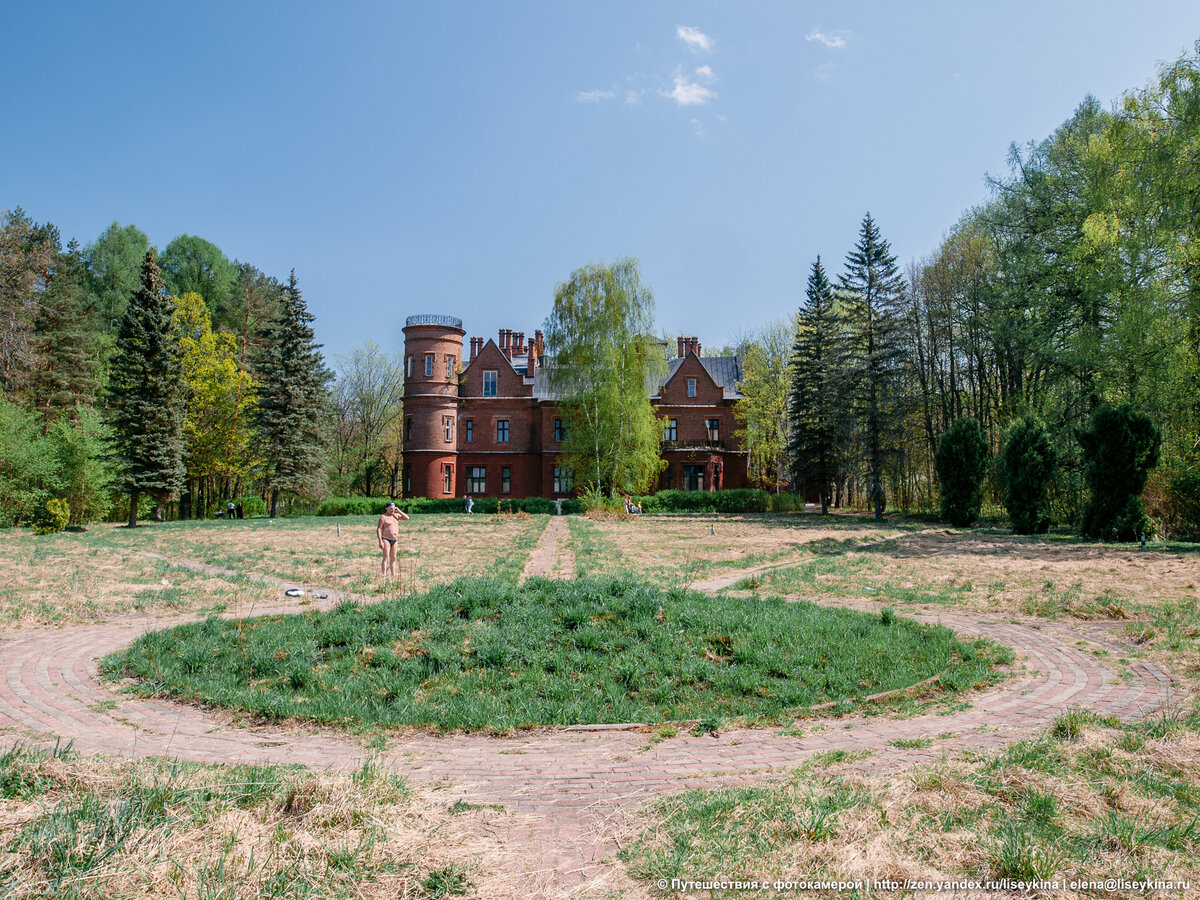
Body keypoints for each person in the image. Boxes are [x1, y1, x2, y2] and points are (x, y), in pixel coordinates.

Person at [376, 501, 410, 576]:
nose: (392, 510)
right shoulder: (383, 517)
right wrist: (380, 541)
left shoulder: (396, 516)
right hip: (386, 539)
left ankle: (393, 575)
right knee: (386, 557)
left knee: (393, 558)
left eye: (393, 508)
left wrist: (399, 511)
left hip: (395, 540)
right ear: (386, 508)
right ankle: (383, 575)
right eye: (391, 508)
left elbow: (407, 518)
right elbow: (378, 529)